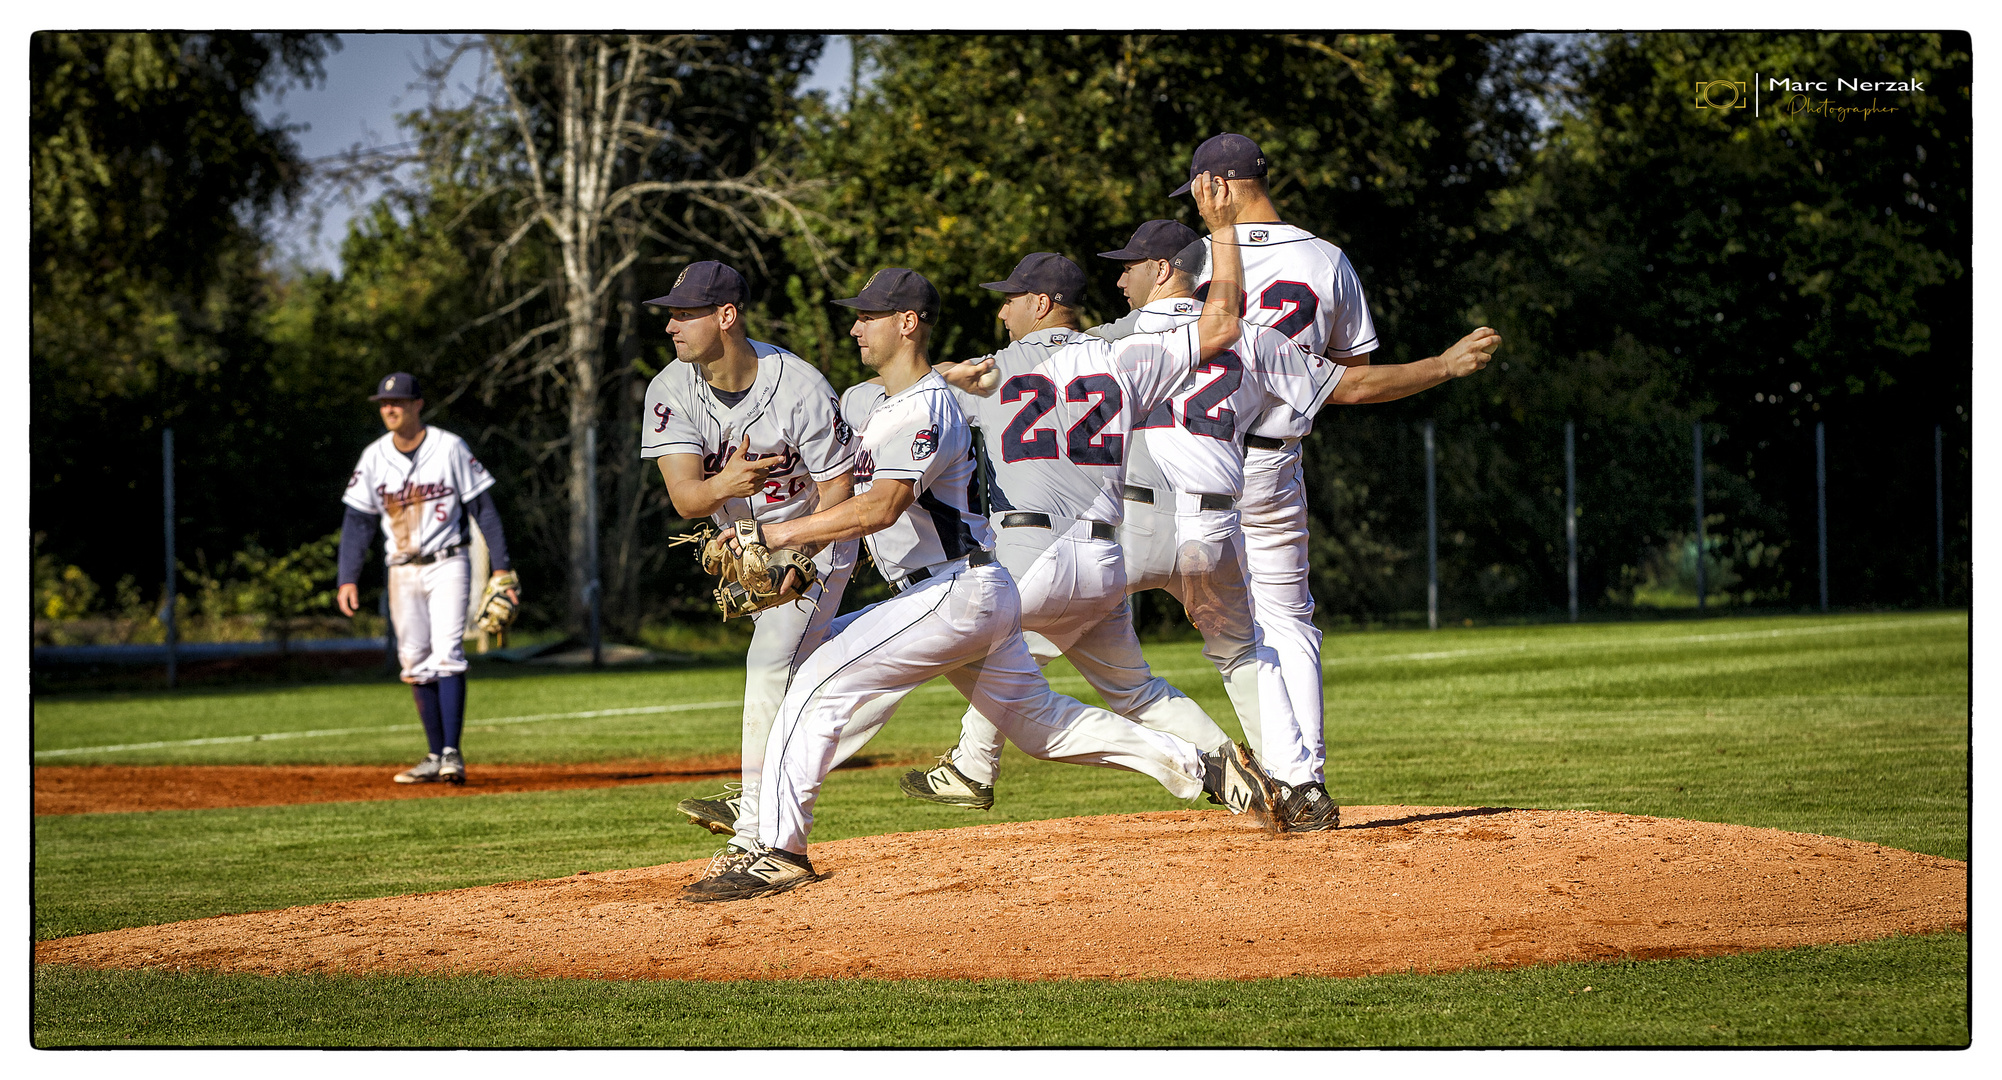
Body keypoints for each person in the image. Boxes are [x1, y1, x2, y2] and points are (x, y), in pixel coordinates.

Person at [683, 205, 1277, 903]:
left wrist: (779, 536)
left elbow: (882, 508)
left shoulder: (935, 404)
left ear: (907, 323)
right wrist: (792, 546)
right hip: (986, 586)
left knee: (816, 680)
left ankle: (775, 847)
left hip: (954, 591)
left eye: (868, 315)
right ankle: (1200, 763)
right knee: (1040, 724)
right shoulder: (948, 393)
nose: (854, 327)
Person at [894, 246, 1242, 811]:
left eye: (1010, 301)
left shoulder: (991, 370)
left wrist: (938, 374)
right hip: (1105, 555)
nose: (1003, 314)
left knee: (941, 641)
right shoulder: (1121, 358)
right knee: (1136, 689)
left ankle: (969, 768)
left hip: (1031, 551)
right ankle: (1233, 765)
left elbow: (899, 403)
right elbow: (1217, 334)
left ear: (1041, 302)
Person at [639, 261, 862, 879]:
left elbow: (838, 489)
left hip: (819, 536)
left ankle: (753, 832)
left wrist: (800, 554)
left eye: (686, 313)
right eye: (672, 313)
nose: (671, 326)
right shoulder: (671, 389)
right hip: (747, 544)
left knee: (767, 664)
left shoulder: (799, 385)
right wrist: (728, 485)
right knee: (815, 672)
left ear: (726, 316)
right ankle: (767, 782)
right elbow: (687, 500)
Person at [337, 372, 518, 786]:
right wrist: (347, 576)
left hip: (448, 562)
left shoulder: (448, 447)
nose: (390, 408)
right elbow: (358, 521)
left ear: (418, 404)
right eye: (384, 403)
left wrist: (502, 565)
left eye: (398, 401)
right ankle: (435, 755)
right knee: (414, 660)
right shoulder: (373, 457)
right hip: (400, 569)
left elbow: (483, 509)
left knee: (447, 651)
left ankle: (452, 753)